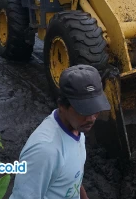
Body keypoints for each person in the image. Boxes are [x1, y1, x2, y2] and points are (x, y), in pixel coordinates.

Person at [11, 65, 110, 199]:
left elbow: (73, 179)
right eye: (84, 110)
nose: (91, 118)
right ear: (62, 106)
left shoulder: (77, 127)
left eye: (95, 108)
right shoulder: (45, 151)